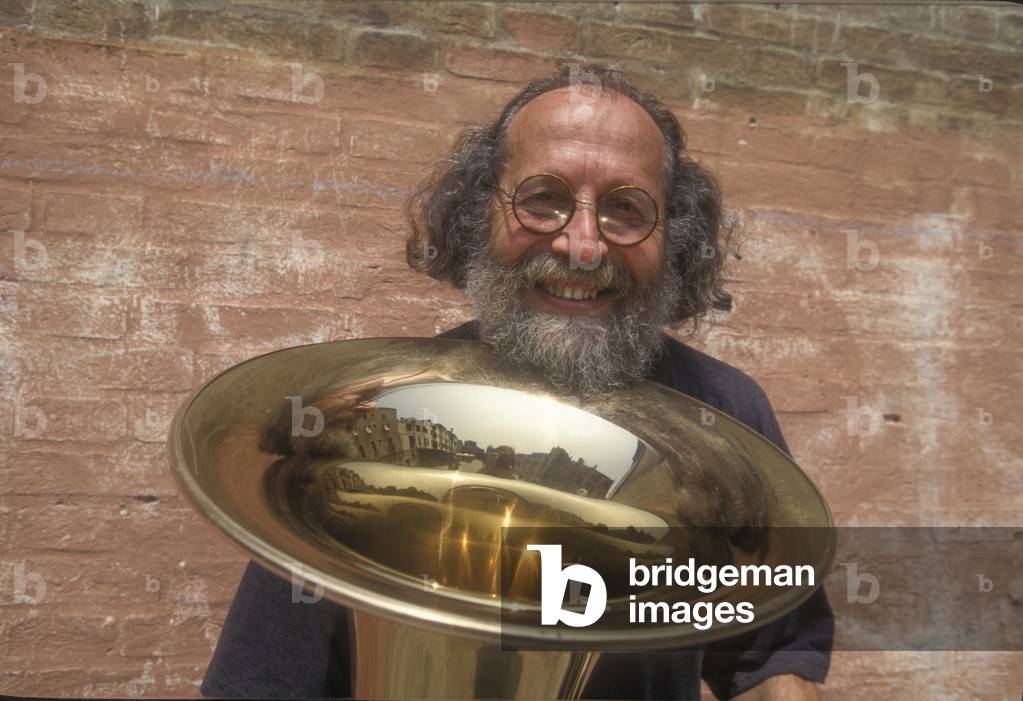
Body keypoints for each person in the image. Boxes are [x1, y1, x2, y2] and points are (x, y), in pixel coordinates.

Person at [200, 64, 833, 700]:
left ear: (675, 235)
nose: (582, 245)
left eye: (626, 209)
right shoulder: (371, 409)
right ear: (482, 213)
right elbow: (263, 682)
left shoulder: (726, 415)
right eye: (542, 199)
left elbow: (770, 650)